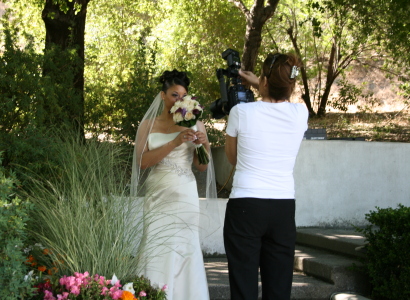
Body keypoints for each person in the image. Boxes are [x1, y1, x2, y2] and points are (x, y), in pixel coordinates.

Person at [223, 53, 309, 300]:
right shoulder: (299, 114)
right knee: (279, 288)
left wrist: (253, 83)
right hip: (282, 207)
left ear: (263, 81)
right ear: (290, 84)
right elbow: (277, 95)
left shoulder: (241, 112)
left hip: (246, 206)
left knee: (244, 287)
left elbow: (232, 158)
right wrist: (260, 82)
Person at [130, 70, 217, 300]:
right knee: (155, 245)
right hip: (158, 195)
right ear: (162, 95)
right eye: (174, 95)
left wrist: (204, 144)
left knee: (186, 247)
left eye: (183, 96)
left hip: (185, 196)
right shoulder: (148, 125)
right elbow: (142, 163)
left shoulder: (195, 123)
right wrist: (175, 141)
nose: (179, 100)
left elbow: (202, 166)